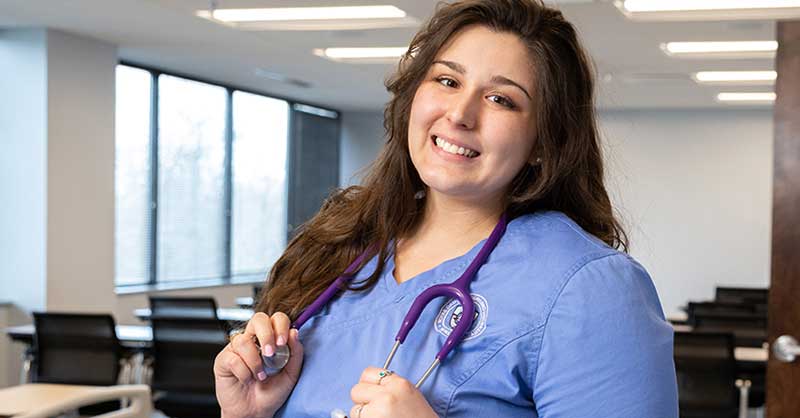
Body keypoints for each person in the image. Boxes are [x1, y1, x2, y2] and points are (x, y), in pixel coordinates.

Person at [213, 0, 679, 417]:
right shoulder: (338, 243)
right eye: (447, 80)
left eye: (501, 99)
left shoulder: (589, 289)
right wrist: (249, 414)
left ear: (544, 141)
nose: (460, 114)